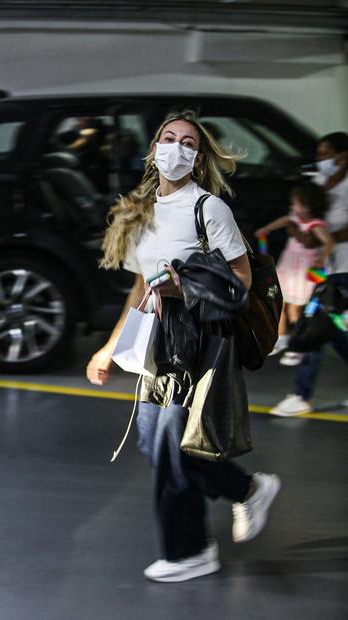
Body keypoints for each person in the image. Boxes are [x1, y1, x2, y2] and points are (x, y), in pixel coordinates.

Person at [86, 110, 280, 582]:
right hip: (157, 342)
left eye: (189, 143)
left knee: (172, 447)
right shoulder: (144, 209)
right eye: (169, 139)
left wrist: (183, 291)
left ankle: (188, 550)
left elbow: (240, 280)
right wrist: (109, 348)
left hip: (198, 342)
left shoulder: (208, 209)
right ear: (154, 150)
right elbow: (139, 289)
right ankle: (246, 489)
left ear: (197, 158)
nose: (178, 148)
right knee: (157, 446)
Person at [270, 132, 348, 417]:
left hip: (342, 267)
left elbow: (324, 231)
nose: (322, 159)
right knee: (333, 331)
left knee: (316, 327)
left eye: (328, 153)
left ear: (344, 155)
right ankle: (301, 394)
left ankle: (301, 395)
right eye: (320, 153)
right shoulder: (317, 184)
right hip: (319, 271)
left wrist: (324, 238)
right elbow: (298, 218)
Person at [255, 182, 334, 366]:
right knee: (280, 303)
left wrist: (321, 259)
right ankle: (281, 338)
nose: (293, 207)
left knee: (296, 310)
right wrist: (266, 230)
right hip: (289, 267)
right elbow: (282, 221)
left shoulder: (316, 225)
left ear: (308, 205)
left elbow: (328, 241)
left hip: (303, 271)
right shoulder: (294, 219)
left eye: (296, 204)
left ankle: (299, 342)